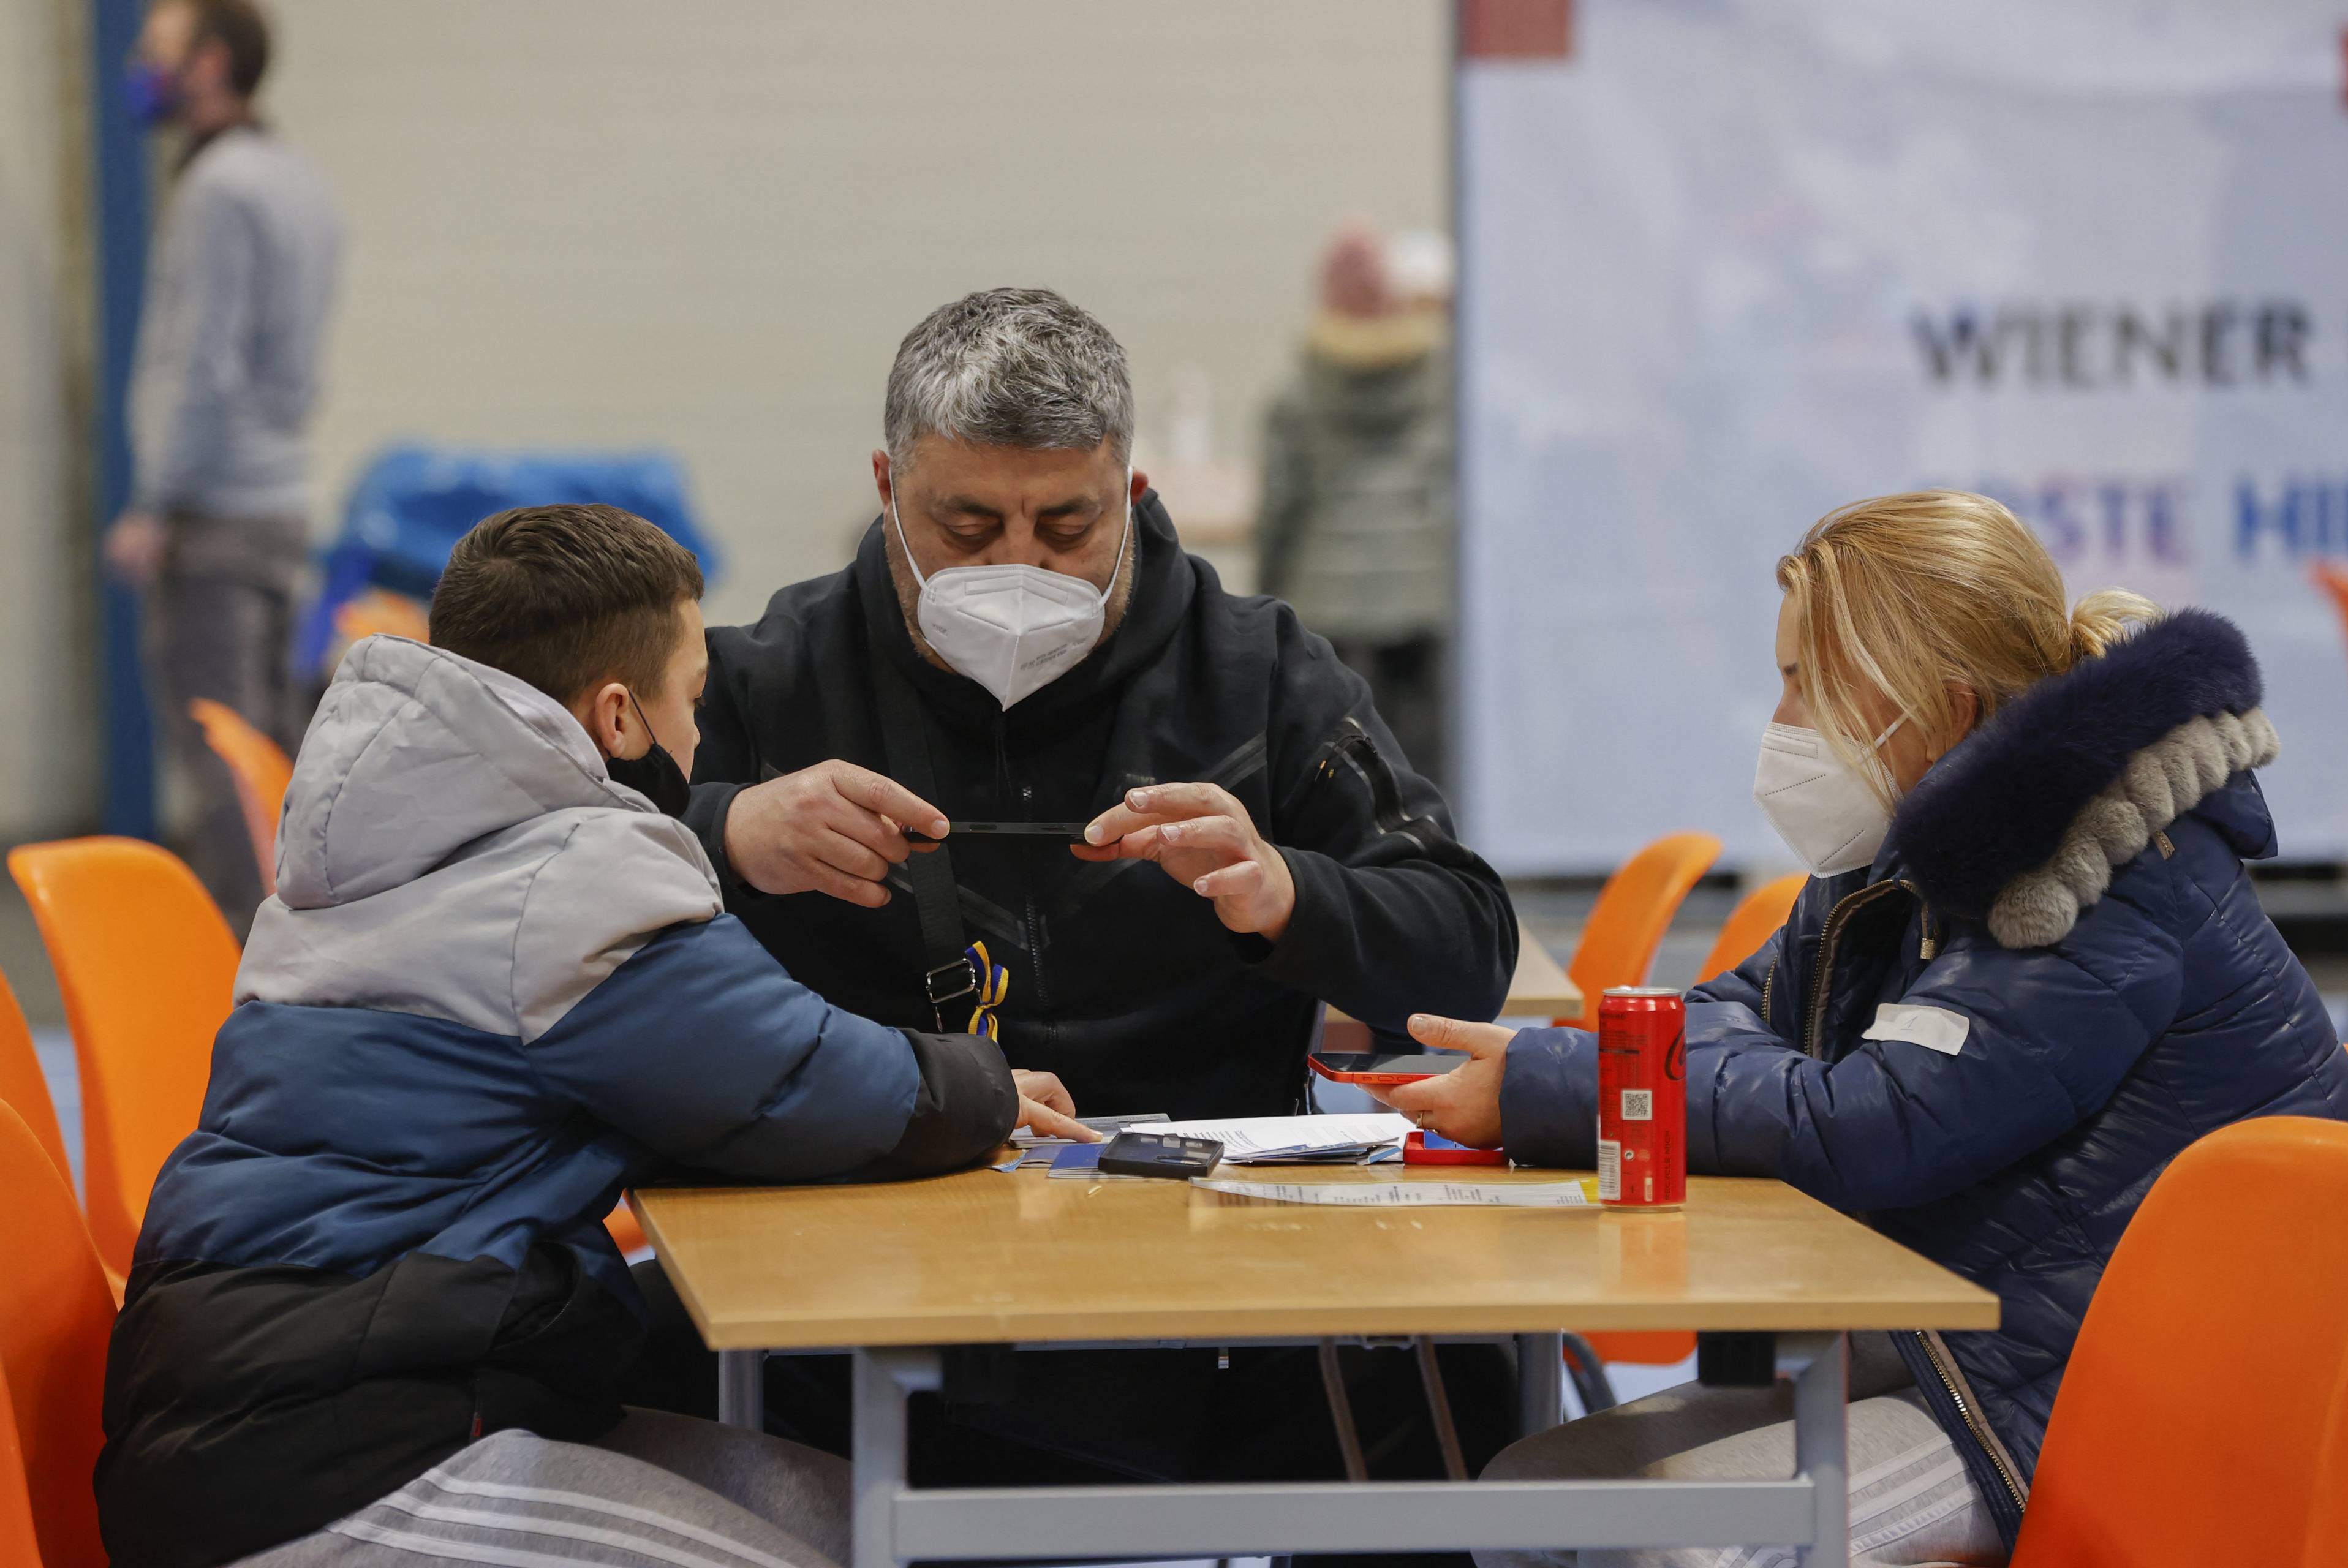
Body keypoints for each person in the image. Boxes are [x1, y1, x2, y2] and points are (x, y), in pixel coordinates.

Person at [670, 286, 1520, 1516]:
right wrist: (724, 832)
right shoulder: (767, 677)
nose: (1018, 565)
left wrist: (1291, 893)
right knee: (624, 1355)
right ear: (885, 487)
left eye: (1066, 524)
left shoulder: (1261, 674)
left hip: (1211, 1270)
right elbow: (564, 913)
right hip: (855, 1256)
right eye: (964, 523)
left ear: (1129, 494)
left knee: (1456, 1387)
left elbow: (1464, 951)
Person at [1384, 491, 2348, 1567]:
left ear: (1937, 703)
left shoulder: (2108, 874)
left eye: (1807, 681)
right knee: (1528, 1495)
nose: (1784, 717)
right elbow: (1742, 1012)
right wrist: (1758, 1077)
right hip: (1965, 1347)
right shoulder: (1919, 842)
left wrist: (1557, 1084)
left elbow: (1875, 1126)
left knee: (1661, 1546)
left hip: (2100, 1403)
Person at [96, 505, 1049, 1568]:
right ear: (616, 718)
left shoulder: (388, 837)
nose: (702, 738)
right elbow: (803, 1079)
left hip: (317, 1382)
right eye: (693, 700)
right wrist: (992, 1084)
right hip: (318, 1452)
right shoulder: (571, 880)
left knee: (863, 1524)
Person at [104, 0, 344, 937]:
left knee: (222, 771)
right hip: (282, 508)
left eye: (158, 50)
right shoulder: (299, 182)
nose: (141, 66)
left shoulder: (217, 191)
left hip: (216, 516)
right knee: (271, 758)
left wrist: (157, 504)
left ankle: (252, 981)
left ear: (209, 65)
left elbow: (200, 365)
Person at [1258, 224, 1457, 785]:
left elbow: (1281, 508)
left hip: (1325, 607)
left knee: (1337, 769)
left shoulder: (1297, 396)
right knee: (1423, 768)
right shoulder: (1439, 390)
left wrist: (1269, 594)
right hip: (1423, 603)